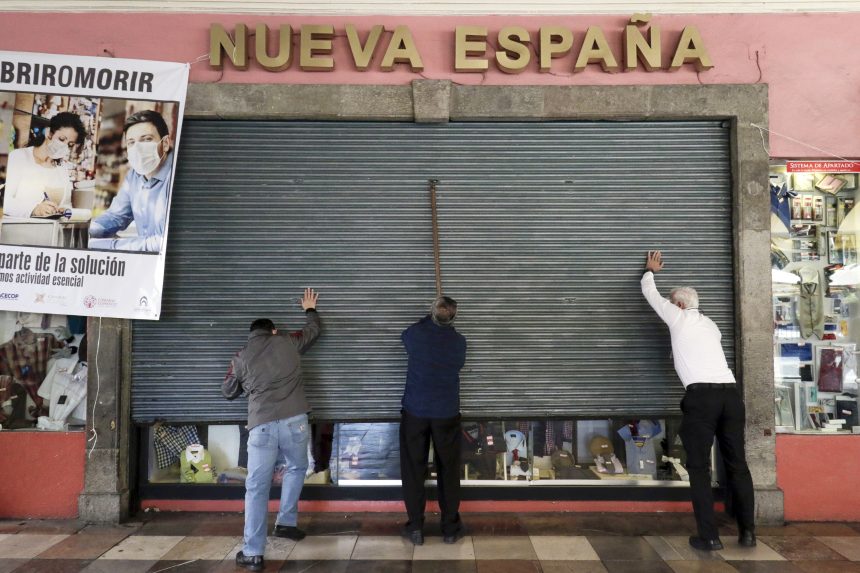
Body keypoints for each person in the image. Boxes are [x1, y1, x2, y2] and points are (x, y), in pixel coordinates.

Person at [641, 251, 756, 551]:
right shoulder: (711, 325)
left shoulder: (678, 318)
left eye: (672, 301)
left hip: (702, 398)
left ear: (679, 304)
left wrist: (651, 271)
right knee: (738, 465)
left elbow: (649, 294)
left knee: (700, 468)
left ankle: (709, 536)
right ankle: (748, 533)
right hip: (731, 395)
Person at [222, 288, 321, 572]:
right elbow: (313, 331)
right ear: (274, 331)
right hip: (295, 422)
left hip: (261, 426)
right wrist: (309, 309)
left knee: (256, 487)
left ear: (251, 335)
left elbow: (227, 391)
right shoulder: (288, 342)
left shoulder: (240, 357)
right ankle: (286, 523)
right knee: (296, 468)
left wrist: (246, 382)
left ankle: (253, 553)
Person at [399, 296, 468, 546]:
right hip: (447, 413)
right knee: (449, 471)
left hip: (415, 412)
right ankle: (450, 529)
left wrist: (428, 318)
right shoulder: (459, 343)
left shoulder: (416, 335)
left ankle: (416, 528)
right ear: (454, 317)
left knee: (413, 469)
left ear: (431, 314)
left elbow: (405, 336)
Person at [88, 109, 174, 252]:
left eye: (146, 139)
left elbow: (161, 242)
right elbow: (116, 216)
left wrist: (103, 245)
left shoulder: (173, 177)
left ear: (165, 143)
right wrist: (84, 231)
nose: (138, 148)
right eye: (131, 142)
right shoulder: (134, 175)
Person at [3, 111, 86, 218]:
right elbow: (4, 200)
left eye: (70, 145)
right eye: (61, 139)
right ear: (49, 134)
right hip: (19, 231)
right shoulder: (19, 157)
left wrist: (64, 209)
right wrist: (33, 209)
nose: (64, 146)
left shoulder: (62, 168)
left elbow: (66, 203)